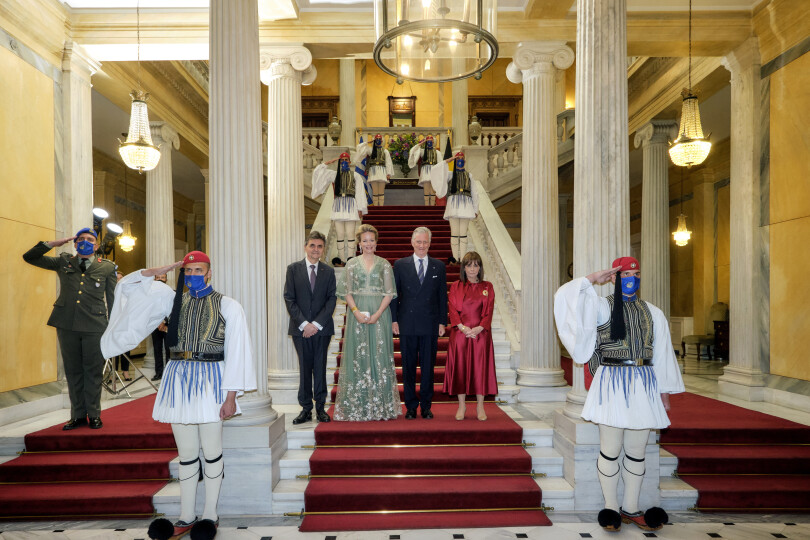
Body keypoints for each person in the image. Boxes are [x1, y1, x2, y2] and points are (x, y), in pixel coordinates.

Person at [100, 251, 256, 540]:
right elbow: (129, 286)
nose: (194, 275)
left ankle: (210, 514)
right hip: (178, 379)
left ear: (209, 272)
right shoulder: (170, 301)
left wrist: (231, 396)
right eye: (189, 270)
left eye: (199, 270)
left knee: (211, 452)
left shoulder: (228, 305)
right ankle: (186, 515)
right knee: (185, 454)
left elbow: (238, 352)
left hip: (212, 379)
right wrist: (165, 268)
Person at [553, 257, 684, 533]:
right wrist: (592, 278)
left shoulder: (653, 312)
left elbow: (662, 353)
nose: (632, 278)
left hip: (644, 384)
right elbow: (565, 298)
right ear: (614, 277)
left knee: (637, 451)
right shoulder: (601, 307)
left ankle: (631, 507)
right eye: (625, 274)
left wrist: (665, 392)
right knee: (610, 450)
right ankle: (611, 508)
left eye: (636, 273)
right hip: (611, 382)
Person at [23, 228, 117, 430]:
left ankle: (94, 414)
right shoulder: (63, 261)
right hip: (67, 324)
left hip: (95, 325)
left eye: (90, 240)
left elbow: (113, 299)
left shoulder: (107, 267)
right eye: (80, 239)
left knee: (92, 372)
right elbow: (29, 257)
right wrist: (54, 243)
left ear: (96, 245)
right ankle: (78, 416)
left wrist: (113, 327)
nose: (85, 242)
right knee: (73, 371)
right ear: (75, 244)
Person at [334, 224, 400, 421]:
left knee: (379, 356)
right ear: (359, 243)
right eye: (365, 240)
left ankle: (381, 406)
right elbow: (347, 292)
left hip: (380, 314)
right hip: (357, 314)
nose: (368, 244)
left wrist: (378, 314)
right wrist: (355, 312)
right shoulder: (351, 264)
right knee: (358, 357)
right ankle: (359, 405)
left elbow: (389, 293)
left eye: (372, 240)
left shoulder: (384, 264)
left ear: (376, 243)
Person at [390, 227, 448, 420]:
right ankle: (411, 407)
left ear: (430, 243)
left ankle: (426, 406)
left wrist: (442, 321)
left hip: (430, 324)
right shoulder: (400, 265)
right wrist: (394, 319)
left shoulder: (438, 266)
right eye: (419, 242)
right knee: (407, 368)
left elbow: (442, 297)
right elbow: (394, 295)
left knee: (428, 368)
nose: (422, 245)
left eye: (425, 242)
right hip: (407, 324)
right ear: (412, 242)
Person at [284, 231, 337, 424]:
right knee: (305, 368)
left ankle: (321, 408)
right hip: (300, 329)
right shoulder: (293, 269)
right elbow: (289, 298)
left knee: (320, 367)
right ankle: (306, 409)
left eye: (320, 246)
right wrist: (305, 324)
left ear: (323, 249)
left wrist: (316, 324)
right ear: (306, 247)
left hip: (322, 329)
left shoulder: (329, 271)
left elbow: (332, 299)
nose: (316, 249)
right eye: (312, 245)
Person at [443, 251, 497, 421]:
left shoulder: (487, 287)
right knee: (460, 369)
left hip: (481, 335)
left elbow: (488, 311)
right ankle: (462, 405)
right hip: (460, 334)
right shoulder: (456, 286)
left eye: (476, 265)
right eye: (469, 265)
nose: (472, 269)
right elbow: (452, 309)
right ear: (463, 268)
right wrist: (463, 328)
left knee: (480, 369)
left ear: (480, 267)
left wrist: (480, 328)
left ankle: (480, 406)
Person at [310, 152, 367, 266]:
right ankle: (342, 260)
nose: (344, 162)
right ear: (340, 162)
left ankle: (350, 259)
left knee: (350, 234)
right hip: (338, 207)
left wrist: (360, 209)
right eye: (342, 160)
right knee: (340, 234)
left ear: (350, 162)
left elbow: (360, 193)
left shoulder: (355, 175)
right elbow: (317, 172)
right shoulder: (333, 175)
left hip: (351, 206)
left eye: (346, 160)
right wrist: (326, 163)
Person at [430, 151, 480, 264]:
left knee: (463, 234)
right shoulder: (449, 174)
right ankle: (454, 258)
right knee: (454, 233)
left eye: (462, 159)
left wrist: (475, 209)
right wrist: (448, 160)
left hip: (466, 207)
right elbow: (436, 171)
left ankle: (462, 259)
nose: (460, 161)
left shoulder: (469, 175)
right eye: (458, 159)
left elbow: (474, 193)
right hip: (453, 207)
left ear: (465, 161)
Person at [356, 133, 394, 206]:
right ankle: (376, 208)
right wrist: (367, 143)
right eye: (377, 139)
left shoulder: (385, 151)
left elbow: (388, 162)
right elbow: (359, 148)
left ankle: (381, 208)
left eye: (379, 139)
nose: (378, 141)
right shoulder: (370, 151)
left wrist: (388, 173)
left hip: (382, 172)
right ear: (374, 140)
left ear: (382, 141)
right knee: (375, 192)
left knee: (381, 192)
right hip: (373, 172)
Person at [408, 135, 439, 206]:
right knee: (426, 191)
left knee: (432, 191)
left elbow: (440, 164)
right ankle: (427, 206)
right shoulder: (422, 151)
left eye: (431, 141)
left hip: (434, 171)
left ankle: (432, 207)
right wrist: (421, 143)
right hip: (425, 172)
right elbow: (412, 151)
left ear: (433, 142)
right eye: (428, 141)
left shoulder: (437, 152)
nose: (429, 143)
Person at [151, 274, 171, 381]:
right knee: (157, 349)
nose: (160, 280)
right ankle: (158, 373)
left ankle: (168, 373)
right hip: (155, 326)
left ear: (166, 279)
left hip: (168, 326)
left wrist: (164, 322)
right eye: (158, 278)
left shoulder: (172, 292)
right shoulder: (150, 295)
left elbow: (174, 309)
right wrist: (158, 322)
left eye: (162, 278)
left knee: (169, 350)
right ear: (154, 279)